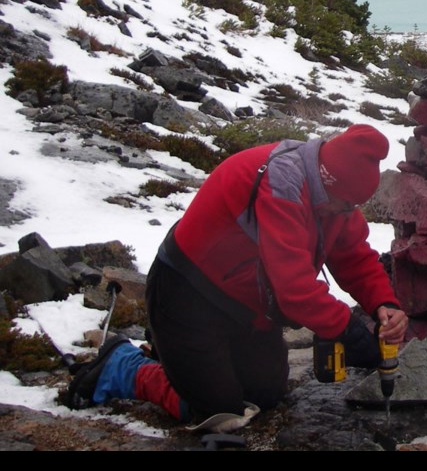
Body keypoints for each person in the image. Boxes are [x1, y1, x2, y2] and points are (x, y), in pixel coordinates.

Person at [66, 123, 409, 430]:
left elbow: (353, 256)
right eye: (342, 203)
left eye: (352, 206)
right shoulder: (282, 184)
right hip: (188, 292)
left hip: (249, 307)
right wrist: (347, 330)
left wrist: (383, 303)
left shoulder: (336, 199)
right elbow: (293, 288)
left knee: (264, 396)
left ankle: (179, 358)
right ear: (326, 180)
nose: (345, 212)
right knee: (219, 413)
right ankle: (123, 366)